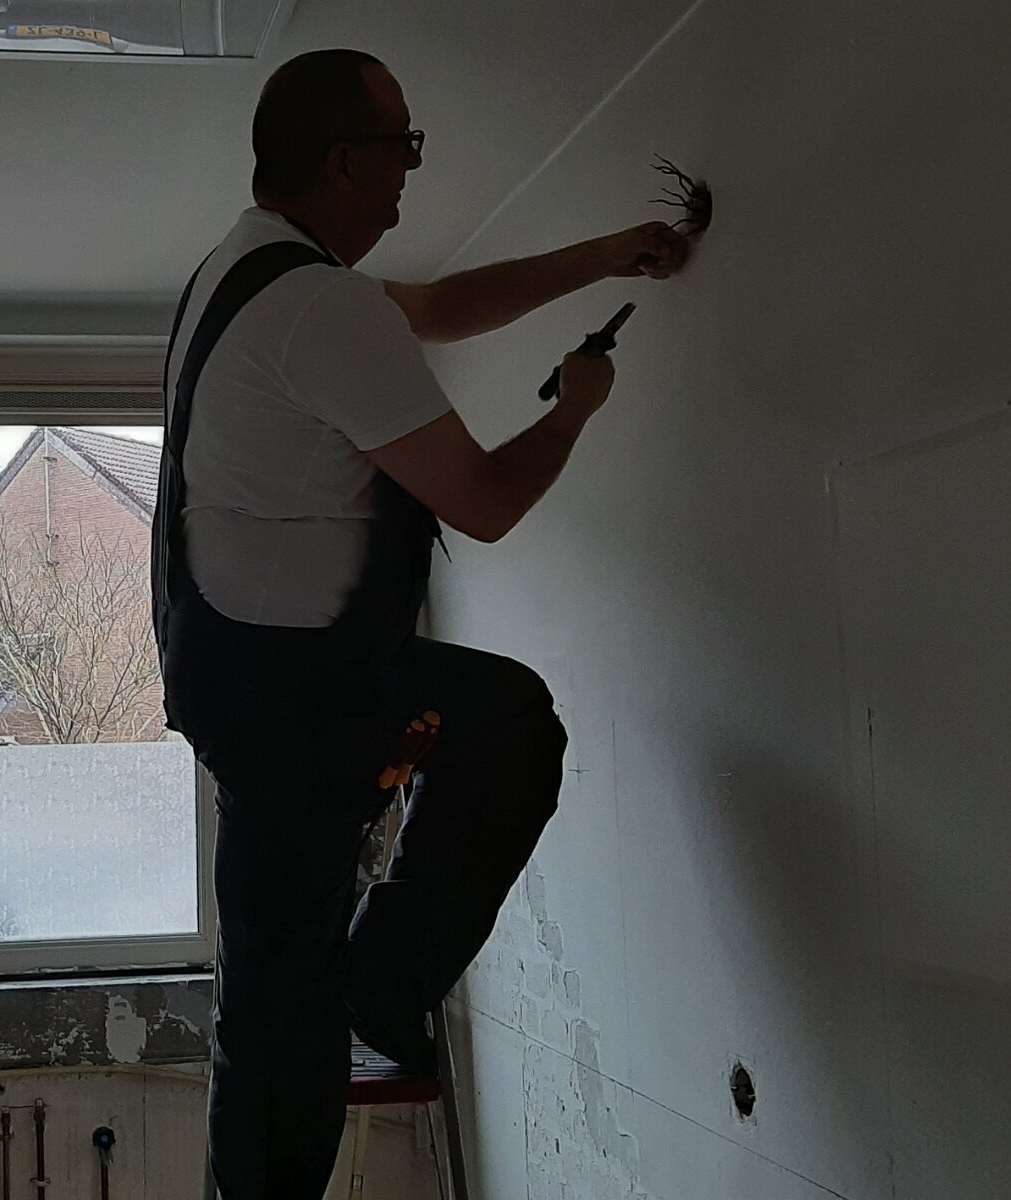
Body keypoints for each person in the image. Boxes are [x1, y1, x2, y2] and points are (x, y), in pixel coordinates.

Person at [151, 48, 692, 1199]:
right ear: (346, 162)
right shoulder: (321, 306)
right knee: (506, 735)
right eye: (403, 145)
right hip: (296, 697)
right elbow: (485, 503)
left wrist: (603, 254)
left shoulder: (243, 269)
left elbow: (442, 308)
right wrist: (576, 411)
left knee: (274, 987)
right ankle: (377, 986)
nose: (411, 169)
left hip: (237, 673)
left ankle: (369, 988)